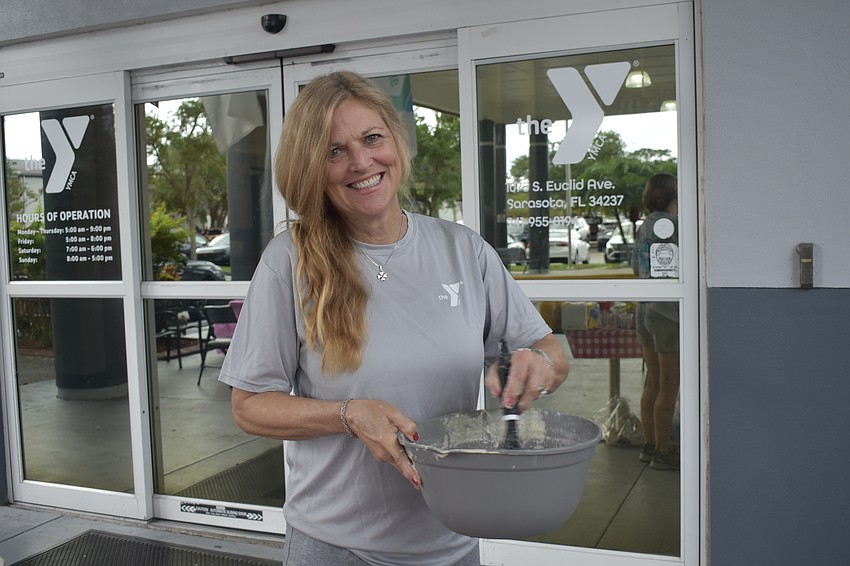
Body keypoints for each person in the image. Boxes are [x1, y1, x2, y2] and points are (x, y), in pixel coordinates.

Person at [217, 70, 569, 566]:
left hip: (453, 536)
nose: (361, 162)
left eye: (372, 138)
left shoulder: (462, 249)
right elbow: (249, 405)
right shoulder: (290, 260)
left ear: (396, 142)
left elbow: (551, 351)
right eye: (334, 151)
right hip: (336, 545)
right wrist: (346, 414)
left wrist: (538, 362)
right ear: (311, 168)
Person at [631, 172, 680, 471]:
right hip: (668, 313)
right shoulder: (676, 226)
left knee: (653, 382)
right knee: (669, 385)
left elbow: (637, 267)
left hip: (645, 309)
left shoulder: (643, 227)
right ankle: (664, 451)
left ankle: (649, 446)